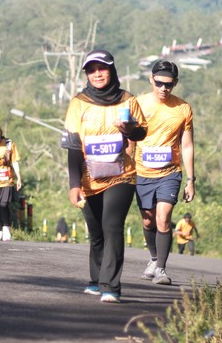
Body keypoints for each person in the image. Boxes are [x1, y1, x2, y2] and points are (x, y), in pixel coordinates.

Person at [61, 49, 147, 303]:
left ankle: (111, 285)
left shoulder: (128, 100)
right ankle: (97, 279)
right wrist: (74, 185)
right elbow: (73, 147)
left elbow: (141, 132)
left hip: (122, 175)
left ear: (112, 70)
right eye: (91, 70)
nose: (97, 74)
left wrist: (130, 130)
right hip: (89, 178)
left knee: (112, 225)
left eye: (102, 68)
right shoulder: (78, 103)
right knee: (96, 231)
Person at [134, 60, 195, 284]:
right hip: (142, 172)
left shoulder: (183, 109)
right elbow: (129, 140)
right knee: (148, 221)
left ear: (175, 83)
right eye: (159, 83)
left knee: (163, 218)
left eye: (168, 84)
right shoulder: (138, 104)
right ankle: (153, 258)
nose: (163, 88)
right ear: (151, 79)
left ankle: (161, 269)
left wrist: (190, 180)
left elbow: (187, 146)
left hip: (170, 173)